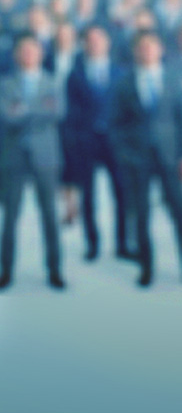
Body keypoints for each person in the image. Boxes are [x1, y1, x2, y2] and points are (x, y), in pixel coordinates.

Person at [108, 29, 182, 288]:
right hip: (137, 158)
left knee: (180, 214)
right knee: (141, 215)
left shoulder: (174, 79)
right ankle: (146, 268)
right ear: (135, 51)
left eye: (152, 46)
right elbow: (115, 124)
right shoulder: (124, 83)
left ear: (161, 49)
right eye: (142, 47)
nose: (147, 51)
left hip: (170, 156)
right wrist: (124, 154)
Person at [0, 32, 66, 289]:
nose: (28, 54)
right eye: (23, 49)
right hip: (13, 157)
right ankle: (6, 271)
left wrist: (23, 110)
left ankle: (54, 270)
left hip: (46, 157)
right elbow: (7, 116)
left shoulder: (53, 82)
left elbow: (57, 112)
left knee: (49, 215)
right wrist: (38, 110)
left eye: (33, 49)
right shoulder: (5, 84)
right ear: (16, 54)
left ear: (41, 53)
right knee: (10, 216)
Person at [65, 24, 130, 261]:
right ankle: (92, 243)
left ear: (108, 43)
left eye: (99, 39)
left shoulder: (121, 73)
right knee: (88, 196)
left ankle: (123, 243)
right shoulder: (75, 74)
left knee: (121, 194)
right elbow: (71, 112)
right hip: (87, 142)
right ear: (84, 44)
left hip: (115, 142)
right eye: (90, 40)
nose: (94, 44)